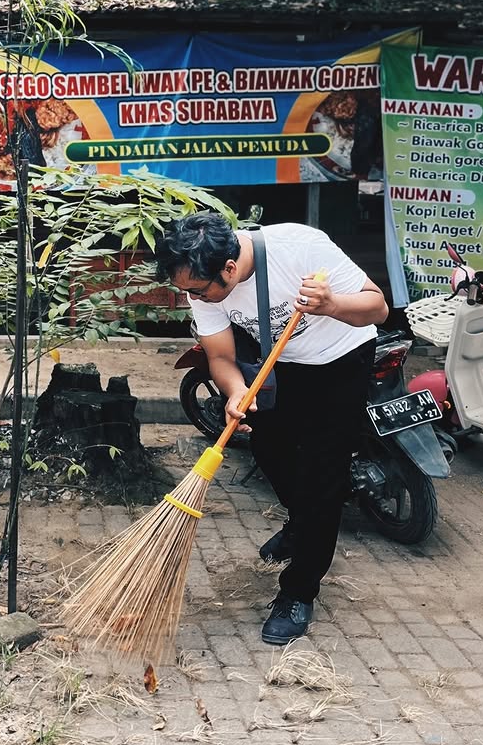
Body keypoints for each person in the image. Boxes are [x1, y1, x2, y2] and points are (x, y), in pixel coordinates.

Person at [156, 213, 388, 645]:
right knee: (269, 448)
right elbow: (221, 357)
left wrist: (332, 304)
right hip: (282, 364)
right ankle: (303, 525)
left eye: (197, 290)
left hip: (340, 361)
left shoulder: (299, 247)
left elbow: (378, 306)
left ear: (228, 269)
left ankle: (299, 591)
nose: (193, 297)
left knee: (323, 478)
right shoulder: (202, 284)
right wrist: (236, 391)